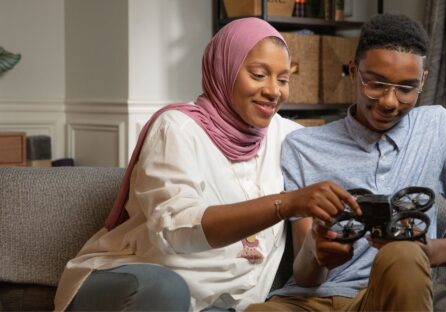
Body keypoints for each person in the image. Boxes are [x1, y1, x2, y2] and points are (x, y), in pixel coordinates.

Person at [53, 17, 359, 312]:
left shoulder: (287, 137)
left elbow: (343, 148)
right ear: (223, 70)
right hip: (136, 283)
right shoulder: (176, 129)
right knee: (167, 289)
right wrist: (286, 203)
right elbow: (178, 231)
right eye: (258, 74)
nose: (273, 91)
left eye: (283, 79)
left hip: (221, 302)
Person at [246, 14, 446, 311]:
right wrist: (315, 249)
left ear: (423, 81)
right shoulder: (303, 147)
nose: (389, 101)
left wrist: (427, 251)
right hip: (314, 299)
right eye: (376, 84)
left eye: (406, 88)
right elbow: (306, 276)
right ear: (353, 71)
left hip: (389, 293)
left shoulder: (436, 127)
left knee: (402, 254)